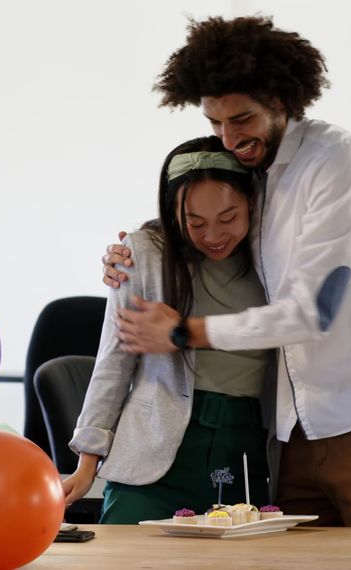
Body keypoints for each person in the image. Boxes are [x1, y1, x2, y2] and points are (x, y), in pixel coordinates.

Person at [102, 16, 351, 570]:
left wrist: (184, 332)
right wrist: (133, 250)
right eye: (215, 121)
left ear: (283, 99)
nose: (230, 138)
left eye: (243, 119)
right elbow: (210, 215)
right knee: (305, 564)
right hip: (296, 425)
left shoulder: (335, 162)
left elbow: (316, 307)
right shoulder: (256, 169)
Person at [62, 136, 273, 524]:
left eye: (228, 218)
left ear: (252, 202)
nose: (213, 236)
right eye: (195, 222)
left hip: (244, 448)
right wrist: (86, 462)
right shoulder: (143, 253)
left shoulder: (272, 256)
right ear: (172, 211)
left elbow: (321, 305)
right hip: (153, 449)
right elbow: (113, 361)